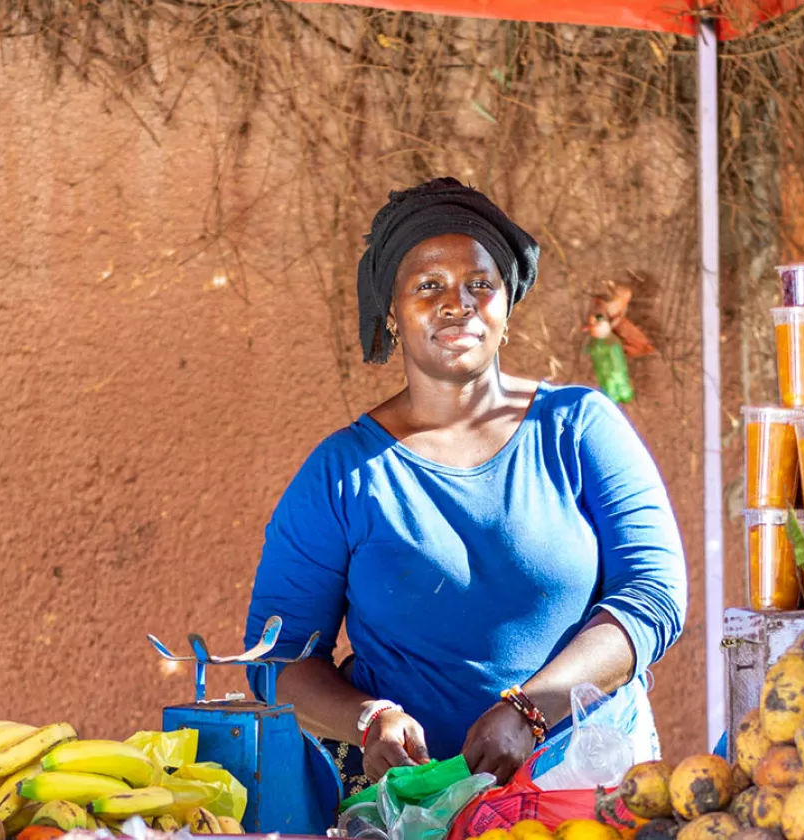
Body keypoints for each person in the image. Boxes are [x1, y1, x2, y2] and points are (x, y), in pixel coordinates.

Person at [243, 177, 688, 798]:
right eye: (428, 286)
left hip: (586, 791)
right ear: (393, 314)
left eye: (481, 284)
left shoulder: (578, 428)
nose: (459, 303)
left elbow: (654, 597)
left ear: (506, 307)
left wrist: (532, 710)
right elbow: (277, 658)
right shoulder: (343, 473)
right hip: (413, 806)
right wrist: (367, 721)